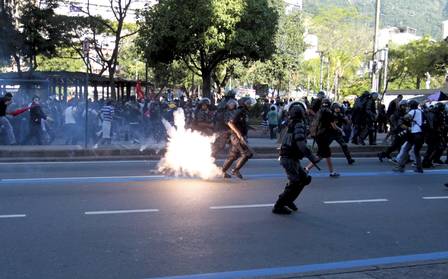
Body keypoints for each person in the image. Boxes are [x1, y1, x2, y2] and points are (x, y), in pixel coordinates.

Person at [272, 103, 316, 215]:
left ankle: (289, 200)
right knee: (295, 182)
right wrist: (312, 157)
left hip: (290, 157)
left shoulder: (290, 123)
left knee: (304, 179)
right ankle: (279, 205)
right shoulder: (298, 124)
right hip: (289, 158)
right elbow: (301, 143)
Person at [221, 97, 255, 179]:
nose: (250, 105)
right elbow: (230, 123)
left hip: (238, 137)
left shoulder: (244, 112)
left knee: (233, 156)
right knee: (247, 154)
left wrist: (250, 127)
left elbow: (241, 123)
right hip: (237, 137)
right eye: (248, 103)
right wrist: (239, 134)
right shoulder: (239, 111)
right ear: (244, 103)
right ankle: (235, 170)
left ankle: (222, 171)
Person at [306, 98, 340, 177]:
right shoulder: (329, 112)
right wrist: (340, 130)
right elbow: (334, 126)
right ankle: (306, 169)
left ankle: (331, 172)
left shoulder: (319, 111)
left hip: (317, 136)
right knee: (322, 155)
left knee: (324, 155)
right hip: (323, 136)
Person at [394, 100, 425, 173]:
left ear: (411, 106)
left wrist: (405, 116)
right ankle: (419, 168)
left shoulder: (413, 111)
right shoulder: (421, 111)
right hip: (421, 133)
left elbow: (406, 117)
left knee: (406, 149)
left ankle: (400, 167)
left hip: (414, 133)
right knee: (416, 152)